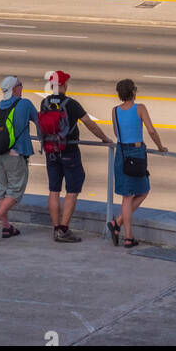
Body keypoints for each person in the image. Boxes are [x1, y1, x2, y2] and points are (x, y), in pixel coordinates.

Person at [39, 70, 113, 243]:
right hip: (69, 151)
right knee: (72, 190)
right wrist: (105, 138)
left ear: (52, 85)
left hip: (51, 151)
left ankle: (56, 227)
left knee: (54, 190)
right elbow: (90, 124)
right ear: (65, 85)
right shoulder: (71, 103)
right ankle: (64, 230)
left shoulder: (44, 102)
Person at [108, 79, 166, 249]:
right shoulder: (140, 108)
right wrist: (160, 147)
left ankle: (118, 224)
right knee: (138, 192)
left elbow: (116, 133)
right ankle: (127, 236)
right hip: (136, 152)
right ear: (134, 92)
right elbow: (151, 130)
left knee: (131, 194)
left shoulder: (115, 111)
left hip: (122, 152)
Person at [0, 75, 41, 242]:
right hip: (16, 152)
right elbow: (39, 122)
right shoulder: (25, 104)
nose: (22, 88)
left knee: (1, 188)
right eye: (20, 85)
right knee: (16, 190)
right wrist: (43, 143)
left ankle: (7, 227)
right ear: (15, 89)